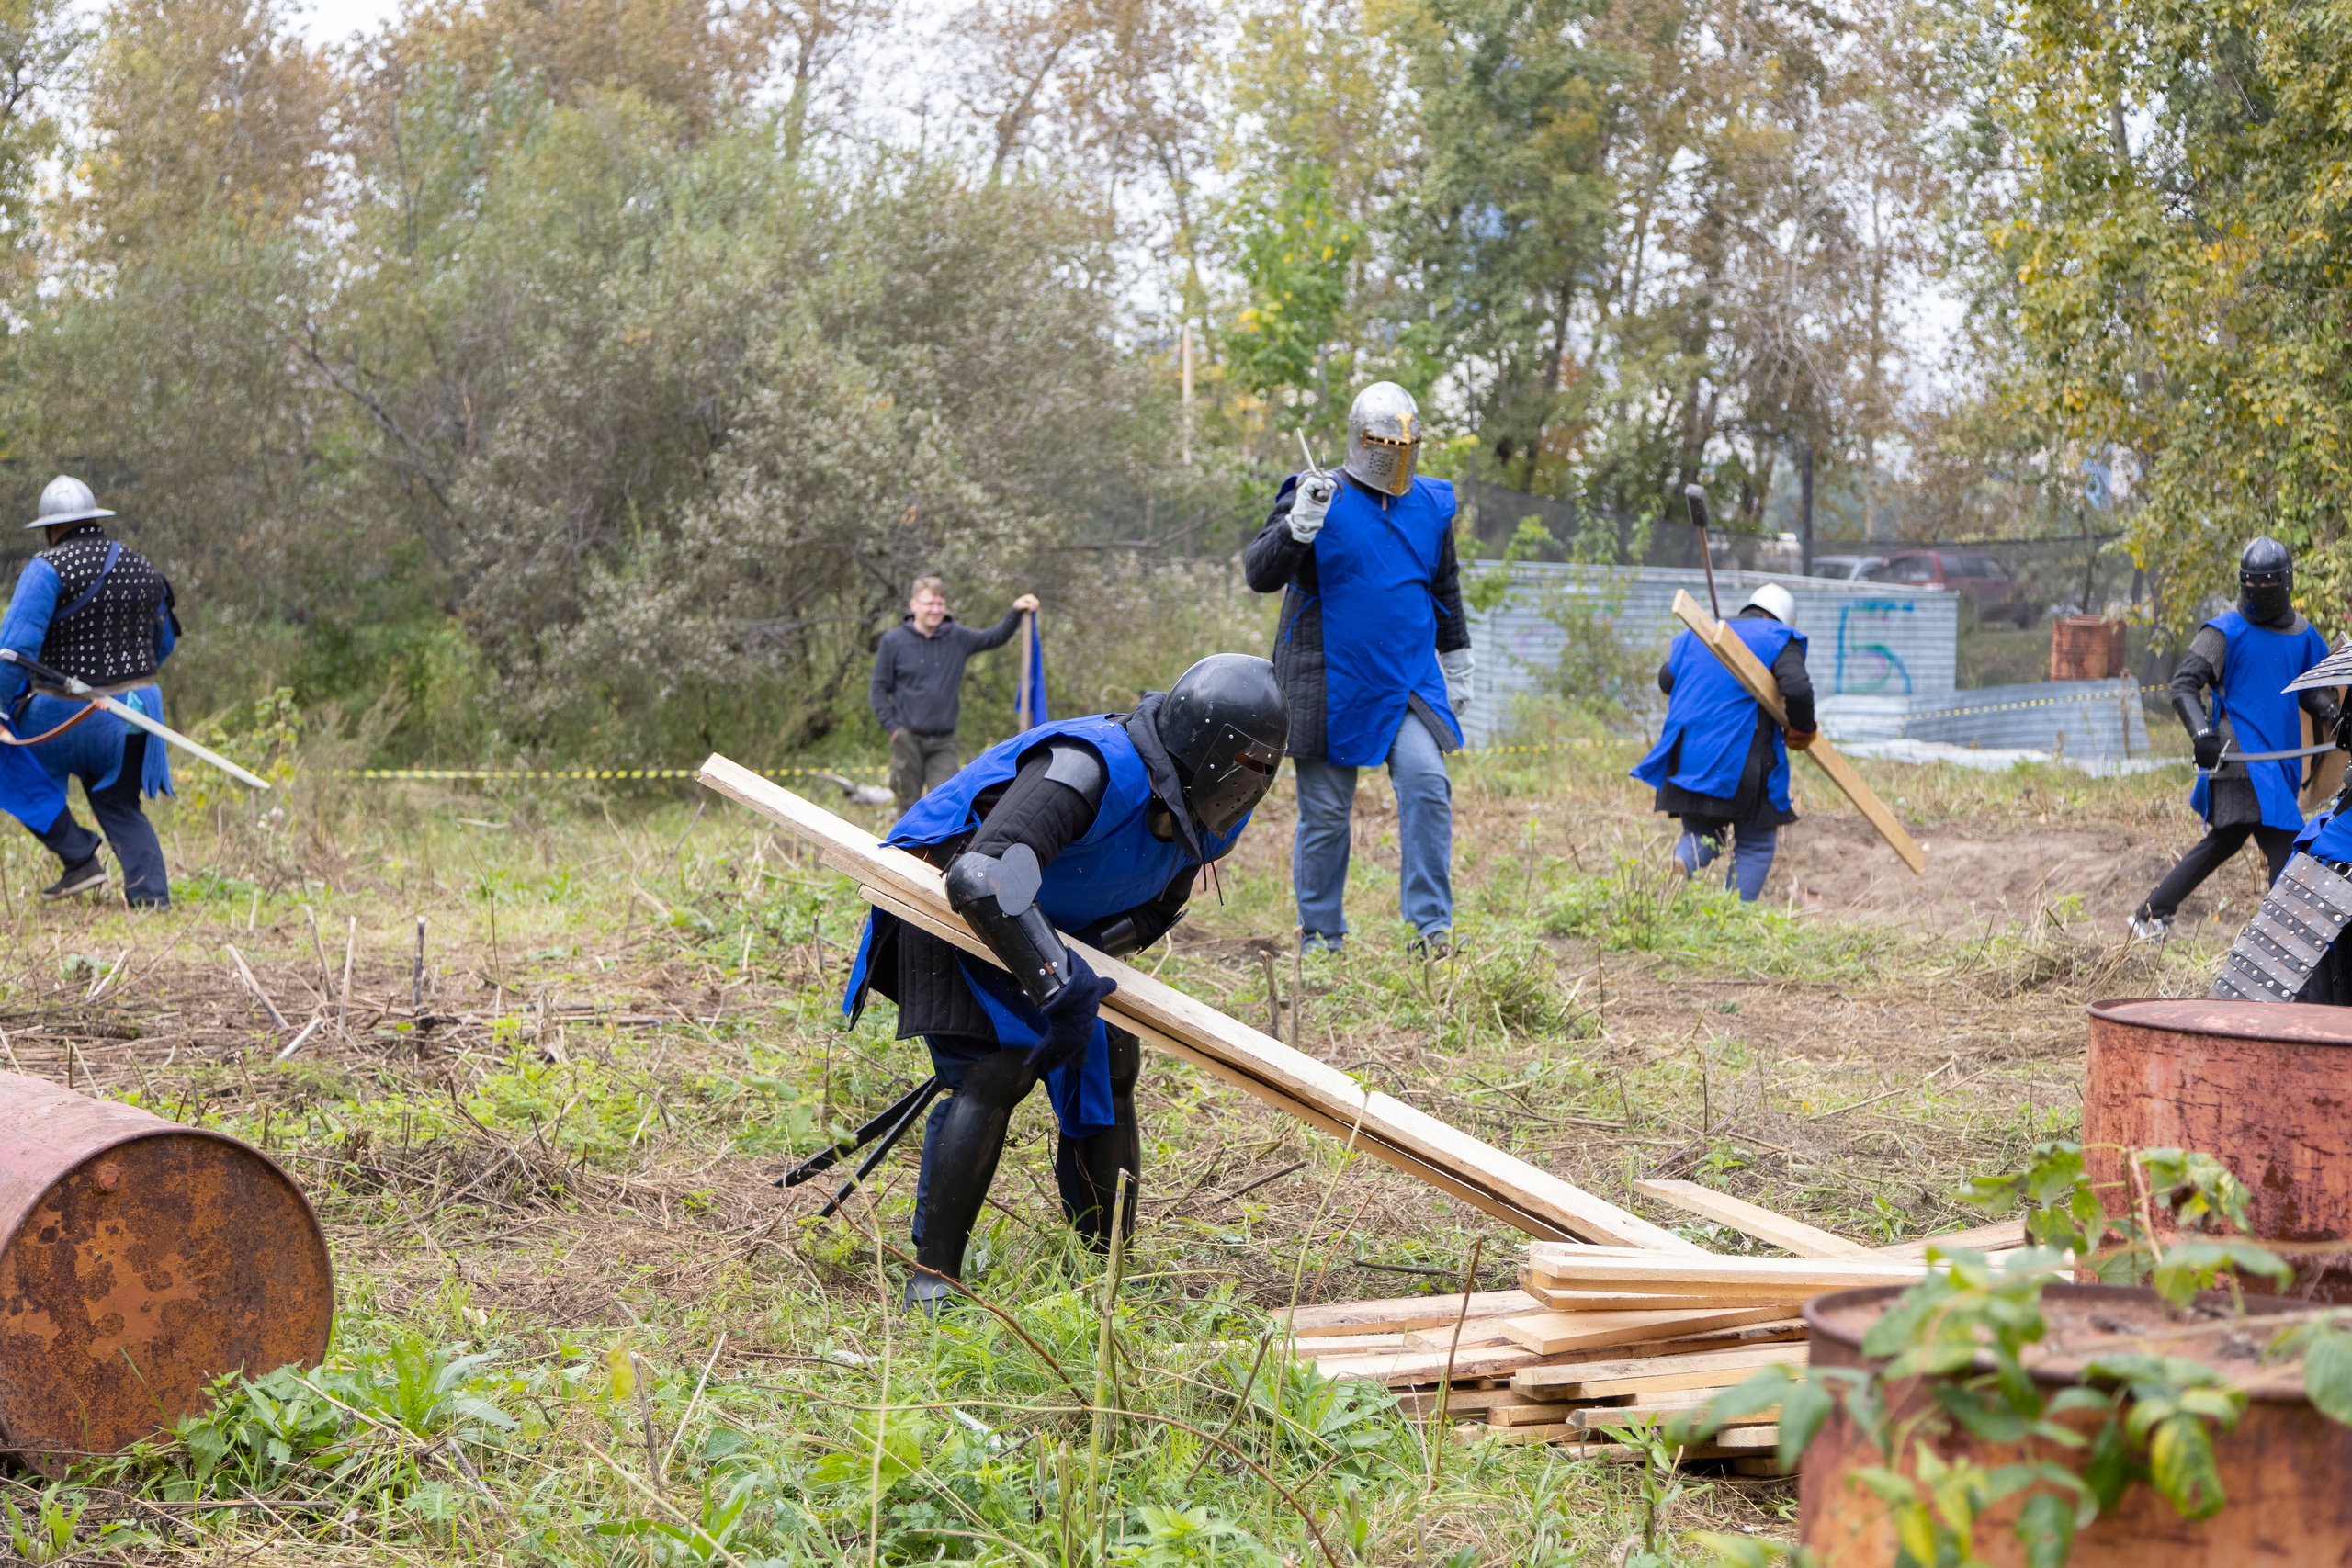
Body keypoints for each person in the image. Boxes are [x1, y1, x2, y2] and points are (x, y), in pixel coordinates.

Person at [840, 653, 1288, 1312]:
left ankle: (1109, 1265)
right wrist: (1058, 987)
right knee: (999, 1066)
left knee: (1110, 1062)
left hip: (1054, 929)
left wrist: (1079, 975)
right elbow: (981, 875)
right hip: (944, 907)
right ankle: (934, 1280)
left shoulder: (1214, 816)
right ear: (1207, 740)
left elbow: (1155, 907)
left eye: (1267, 765)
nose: (1255, 779)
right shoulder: (1089, 767)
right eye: (1246, 759)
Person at [1244, 382, 1472, 956]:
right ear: (1359, 438)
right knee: (1325, 814)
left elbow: (1444, 588)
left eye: (1402, 443)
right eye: (1381, 441)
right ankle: (1321, 937)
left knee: (1427, 784)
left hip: (1407, 679)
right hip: (1329, 679)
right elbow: (1260, 573)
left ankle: (1432, 929)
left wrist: (1458, 661)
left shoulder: (1431, 504)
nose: (1391, 454)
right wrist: (1299, 524)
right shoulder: (1317, 492)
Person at [2132, 536, 2336, 941]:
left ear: (2284, 584)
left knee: (2226, 841)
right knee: (2286, 844)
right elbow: (2184, 686)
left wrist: (2333, 713)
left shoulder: (2302, 634)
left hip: (2275, 764)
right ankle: (2288, 936)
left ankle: (2151, 913)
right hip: (2239, 758)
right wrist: (2202, 734)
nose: (2260, 596)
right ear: (2245, 584)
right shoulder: (2225, 631)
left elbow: (2314, 690)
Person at [0, 477, 179, 908]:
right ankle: (151, 897)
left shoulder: (47, 568)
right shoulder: (142, 566)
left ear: (51, 529)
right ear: (93, 521)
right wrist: (128, 679)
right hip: (139, 713)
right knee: (118, 804)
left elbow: (12, 653)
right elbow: (165, 643)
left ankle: (78, 854)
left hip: (69, 714)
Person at [1633, 581, 1816, 902]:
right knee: (1755, 844)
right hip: (1742, 764)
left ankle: (1683, 860)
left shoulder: (1699, 634)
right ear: (1781, 619)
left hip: (1686, 761)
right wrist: (1800, 730)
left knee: (1702, 834)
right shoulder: (1778, 637)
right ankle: (1734, 919)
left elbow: (1666, 680)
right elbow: (1798, 689)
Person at [870, 576, 1043, 812]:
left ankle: (937, 850)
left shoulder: (957, 637)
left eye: (940, 604)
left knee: (946, 806)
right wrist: (892, 729)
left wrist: (1015, 610)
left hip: (944, 742)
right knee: (907, 806)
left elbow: (995, 636)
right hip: (907, 739)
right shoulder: (894, 641)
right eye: (929, 603)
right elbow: (878, 688)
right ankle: (904, 850)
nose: (935, 609)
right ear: (914, 605)